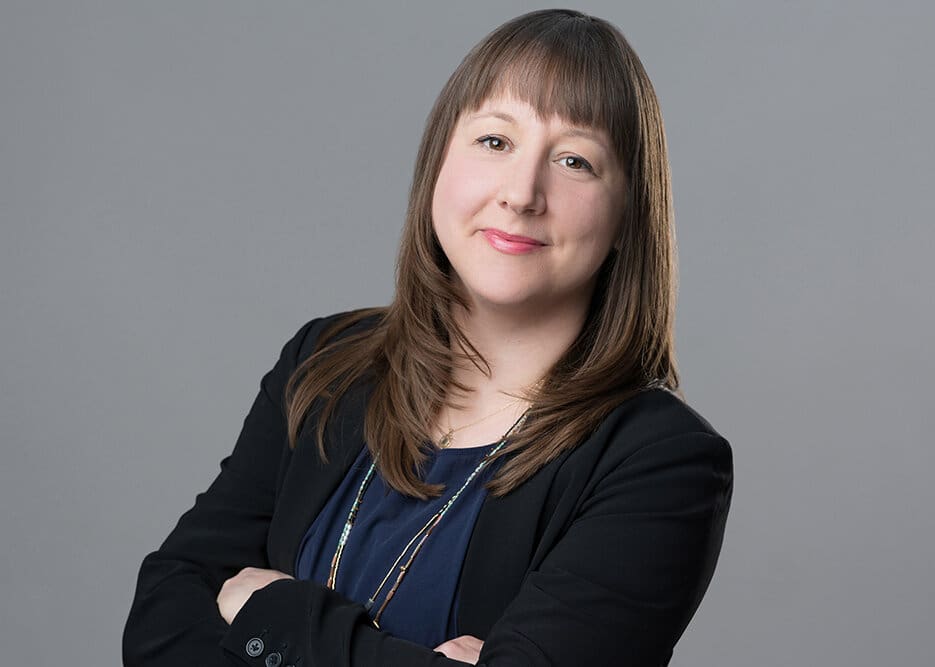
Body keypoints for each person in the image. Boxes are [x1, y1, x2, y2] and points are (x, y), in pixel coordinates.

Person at [123, 8, 733, 666]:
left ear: (627, 215)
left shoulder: (661, 461)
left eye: (575, 160)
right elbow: (159, 621)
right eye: (495, 141)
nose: (522, 192)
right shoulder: (324, 364)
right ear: (438, 159)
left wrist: (271, 615)